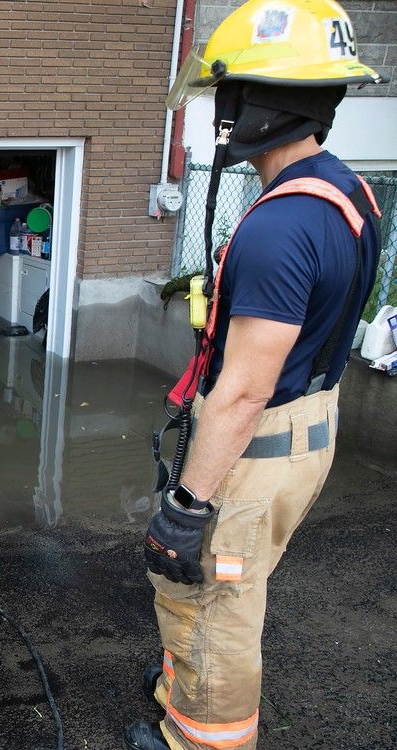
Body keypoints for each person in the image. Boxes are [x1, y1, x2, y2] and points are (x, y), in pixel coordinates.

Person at [125, 2, 387, 749]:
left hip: (258, 445)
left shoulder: (278, 226)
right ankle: (183, 685)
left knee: (211, 600)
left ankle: (200, 739)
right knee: (224, 595)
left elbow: (241, 393)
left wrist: (186, 504)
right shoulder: (346, 194)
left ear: (259, 103)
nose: (221, 113)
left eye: (227, 96)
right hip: (310, 425)